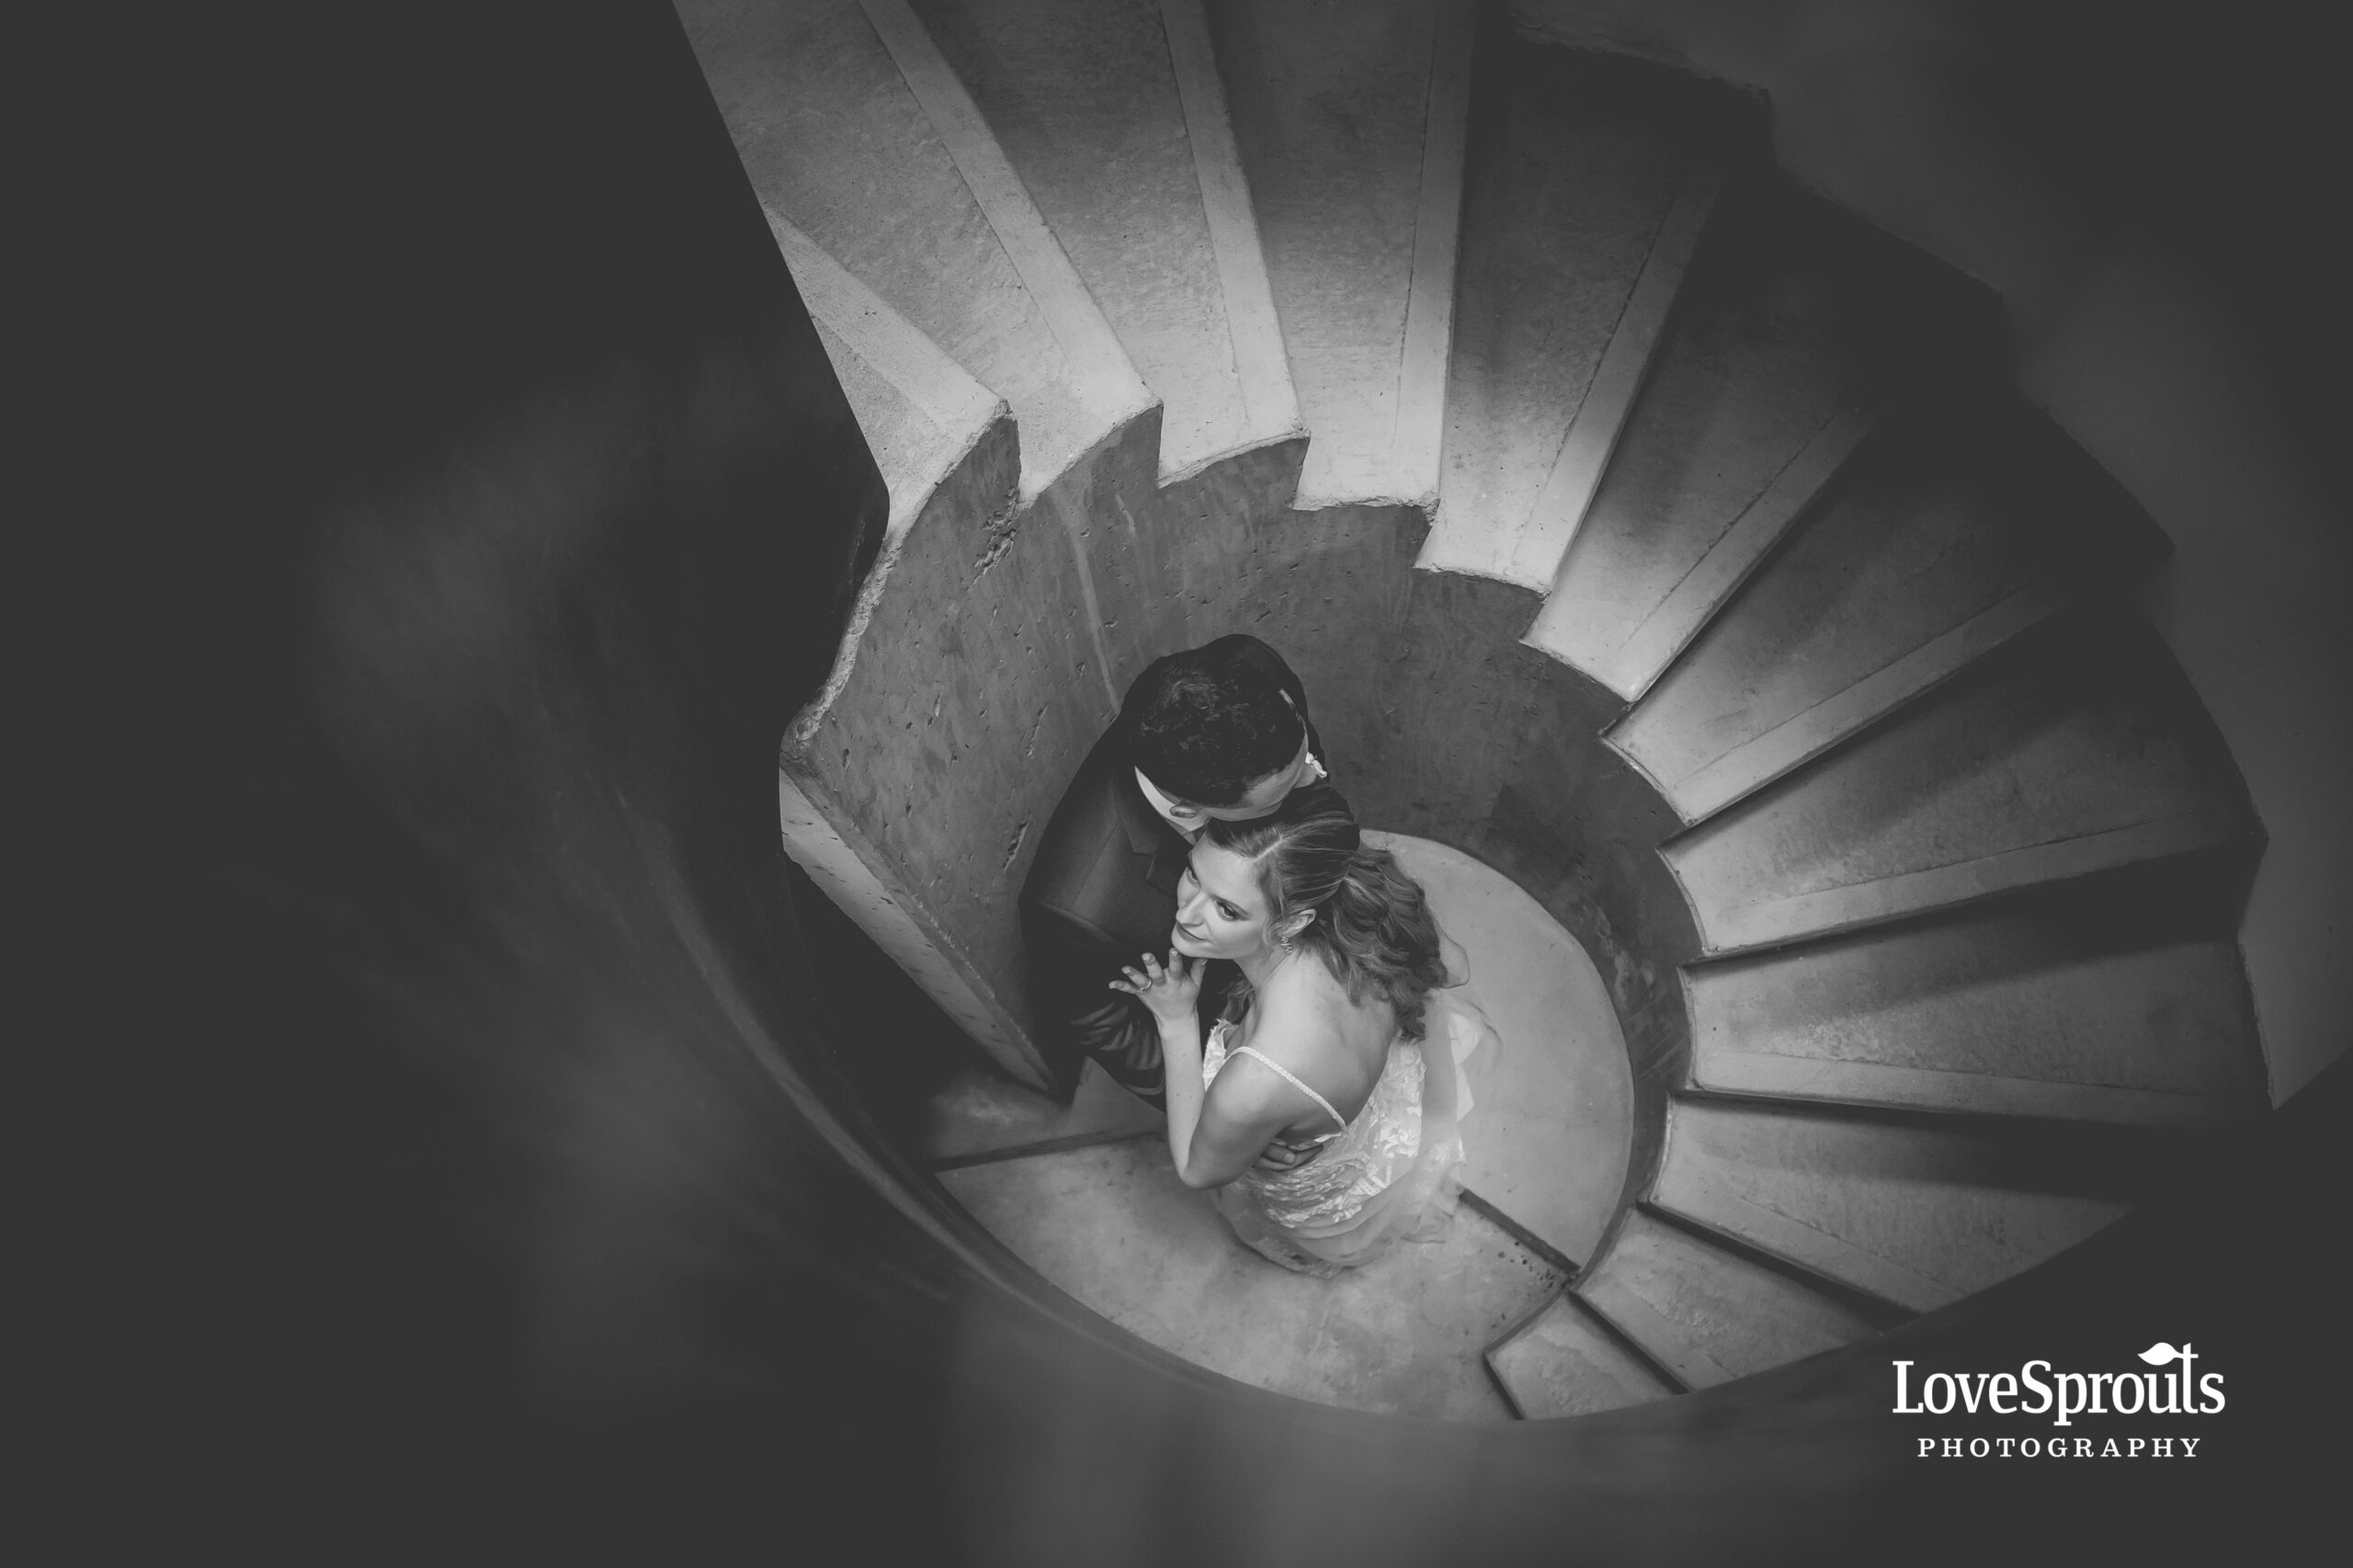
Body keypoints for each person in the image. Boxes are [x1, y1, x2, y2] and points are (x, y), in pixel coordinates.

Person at [1108, 786, 1498, 1276]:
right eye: (1193, 874)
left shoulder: (1257, 1078)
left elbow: (1196, 1169)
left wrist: (1176, 1022)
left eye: (1227, 910)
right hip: (1367, 1105)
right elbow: (1453, 968)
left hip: (1313, 1143)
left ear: (1294, 922)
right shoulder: (1370, 911)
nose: (1185, 913)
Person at [1019, 636, 1328, 1106]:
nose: (1313, 777)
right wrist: (1217, 1102)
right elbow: (1104, 1025)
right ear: (1189, 811)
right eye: (1282, 794)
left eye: (1304, 758)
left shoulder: (1253, 668)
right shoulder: (1076, 908)